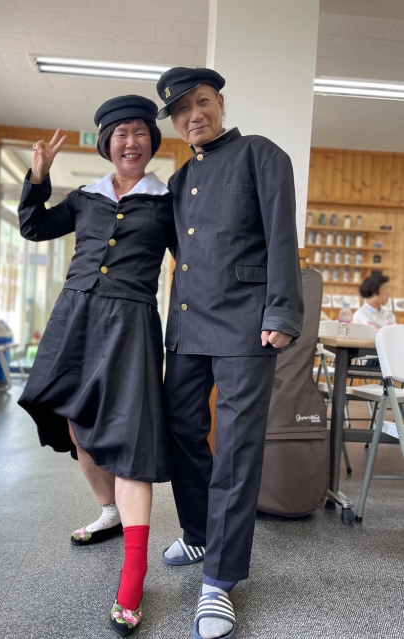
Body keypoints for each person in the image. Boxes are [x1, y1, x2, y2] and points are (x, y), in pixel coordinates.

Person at [17, 95, 175, 636]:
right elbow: (33, 227)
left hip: (130, 325)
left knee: (128, 445)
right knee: (77, 424)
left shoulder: (167, 202)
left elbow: (195, 264)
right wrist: (38, 177)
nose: (131, 141)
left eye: (140, 132)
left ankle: (134, 575)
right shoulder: (85, 197)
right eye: (120, 133)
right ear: (107, 143)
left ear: (152, 141)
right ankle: (110, 512)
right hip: (74, 320)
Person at [155, 68, 304, 639]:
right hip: (188, 324)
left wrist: (282, 312)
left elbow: (282, 236)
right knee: (180, 430)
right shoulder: (178, 180)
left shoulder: (262, 154)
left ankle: (219, 580)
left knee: (237, 449)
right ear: (175, 122)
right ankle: (199, 533)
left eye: (202, 102)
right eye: (182, 110)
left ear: (219, 102)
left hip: (246, 326)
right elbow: (182, 251)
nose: (194, 115)